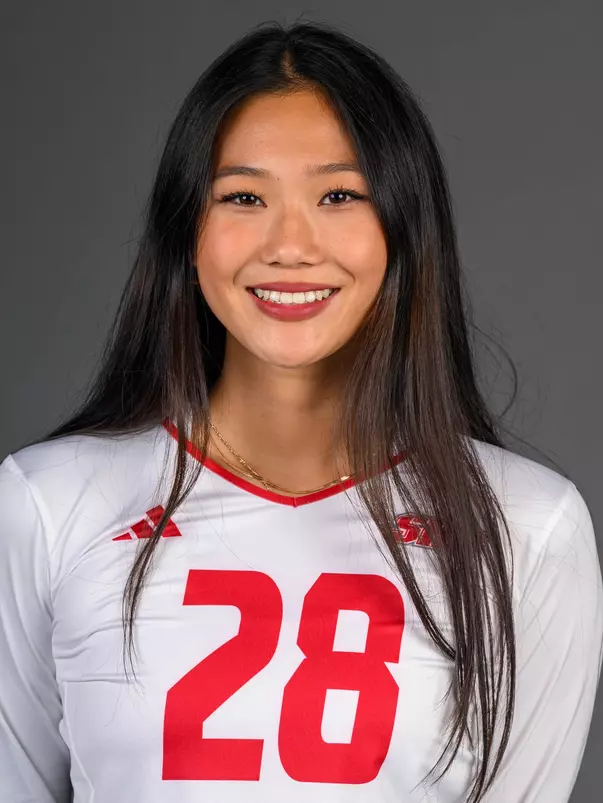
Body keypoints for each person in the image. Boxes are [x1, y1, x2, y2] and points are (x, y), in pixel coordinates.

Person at [0, 19, 601, 803]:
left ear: (402, 227)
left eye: (339, 194)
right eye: (243, 196)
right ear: (188, 231)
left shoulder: (525, 527)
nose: (289, 244)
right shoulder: (46, 503)